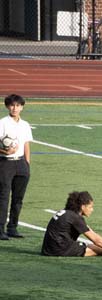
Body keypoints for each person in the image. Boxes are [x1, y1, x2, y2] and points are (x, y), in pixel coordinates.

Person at [0, 94, 33, 240]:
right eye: (12, 105)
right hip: (5, 163)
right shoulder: (2, 123)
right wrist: (5, 151)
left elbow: (26, 144)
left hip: (21, 164)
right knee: (3, 197)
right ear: (7, 106)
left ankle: (12, 227)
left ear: (22, 107)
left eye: (18, 105)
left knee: (18, 198)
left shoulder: (25, 124)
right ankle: (0, 229)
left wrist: (27, 163)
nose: (15, 108)